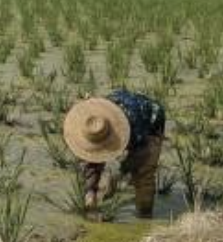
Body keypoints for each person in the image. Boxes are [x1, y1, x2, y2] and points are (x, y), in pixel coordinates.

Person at [63, 90, 166, 218]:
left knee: (143, 174)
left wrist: (118, 173)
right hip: (121, 114)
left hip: (150, 124)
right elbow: (90, 162)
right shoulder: (93, 120)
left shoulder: (134, 125)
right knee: (96, 165)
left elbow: (141, 154)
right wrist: (90, 191)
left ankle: (145, 215)